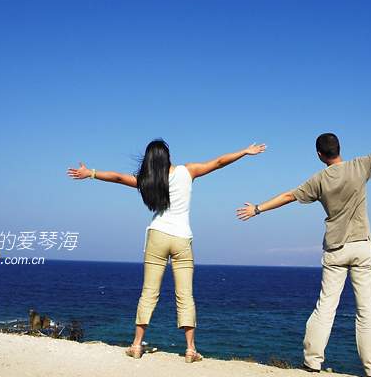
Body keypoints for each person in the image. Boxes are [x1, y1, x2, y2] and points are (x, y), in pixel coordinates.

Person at [236, 117, 371, 377]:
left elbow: (289, 196)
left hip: (335, 248)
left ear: (319, 154)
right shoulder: (360, 166)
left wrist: (257, 209)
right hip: (362, 246)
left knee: (325, 307)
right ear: (339, 149)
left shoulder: (318, 180)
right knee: (367, 310)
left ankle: (312, 362)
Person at [68, 139, 266, 363]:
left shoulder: (147, 180)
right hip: (182, 238)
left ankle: (136, 345)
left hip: (157, 236)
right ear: (168, 155)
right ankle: (190, 349)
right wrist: (245, 151)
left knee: (148, 293)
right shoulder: (187, 171)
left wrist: (91, 173)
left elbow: (117, 177)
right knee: (185, 295)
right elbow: (219, 162)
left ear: (149, 160)